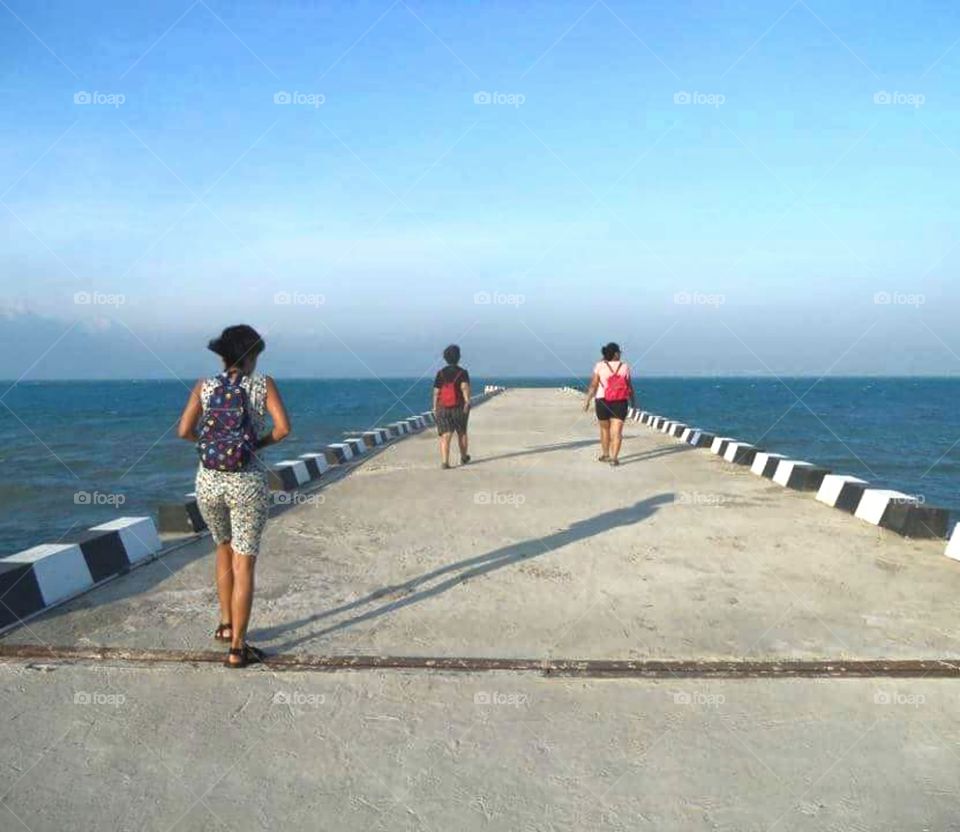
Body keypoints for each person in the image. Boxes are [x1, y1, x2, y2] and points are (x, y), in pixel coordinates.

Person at [177, 324, 291, 668]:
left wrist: (210, 447)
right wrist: (255, 444)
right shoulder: (262, 384)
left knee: (222, 548)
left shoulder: (205, 386)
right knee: (245, 563)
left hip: (208, 483)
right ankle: (238, 649)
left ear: (223, 355)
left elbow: (183, 431)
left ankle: (226, 625)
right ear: (252, 355)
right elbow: (284, 429)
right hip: (246, 483)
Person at [583, 342, 635, 466]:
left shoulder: (599, 366)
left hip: (602, 401)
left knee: (605, 429)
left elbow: (593, 385)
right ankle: (614, 458)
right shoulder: (624, 367)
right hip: (620, 402)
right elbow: (629, 386)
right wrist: (634, 402)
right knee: (617, 432)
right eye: (619, 352)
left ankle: (606, 454)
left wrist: (587, 401)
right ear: (616, 353)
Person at [432, 344, 472, 469]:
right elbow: (464, 387)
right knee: (462, 432)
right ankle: (464, 457)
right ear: (458, 357)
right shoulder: (462, 372)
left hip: (443, 407)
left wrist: (434, 406)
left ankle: (445, 462)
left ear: (445, 358)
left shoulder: (440, 373)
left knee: (446, 434)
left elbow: (436, 392)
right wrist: (467, 401)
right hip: (459, 407)